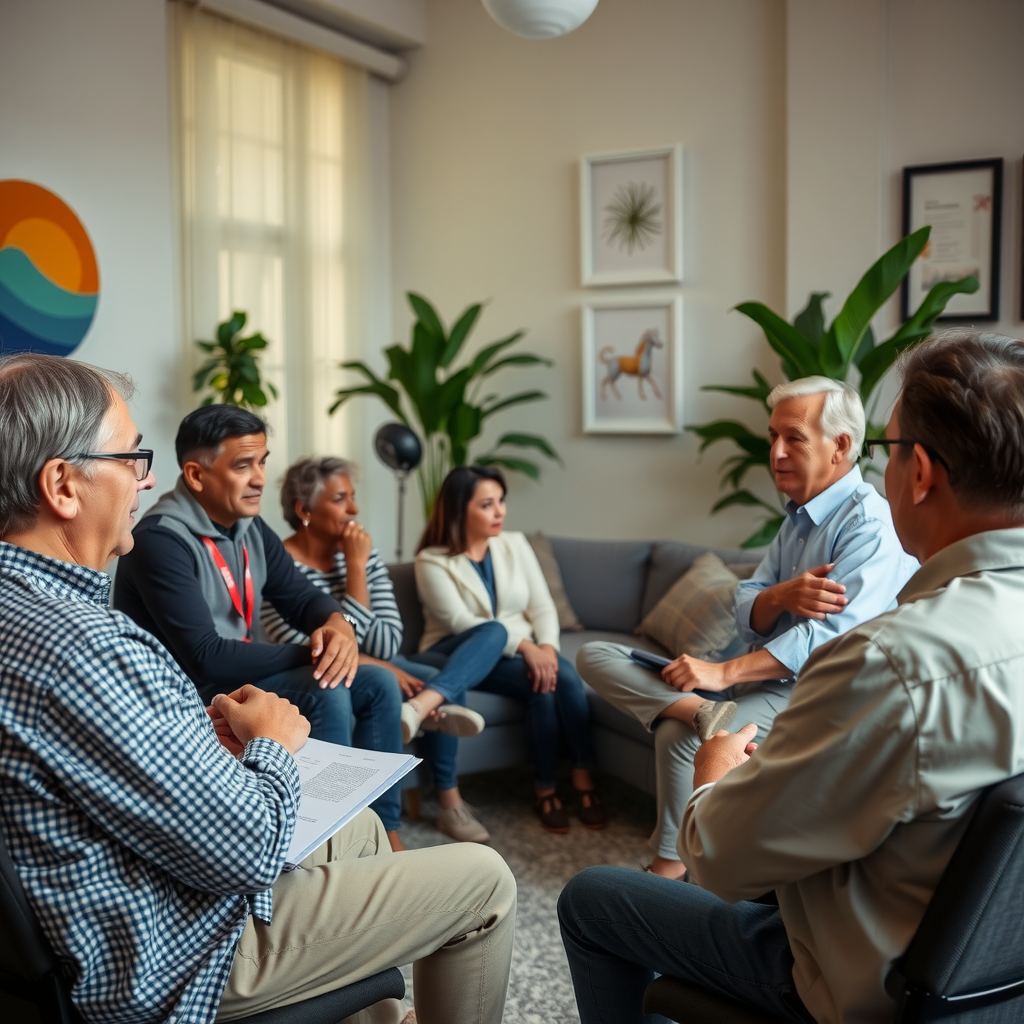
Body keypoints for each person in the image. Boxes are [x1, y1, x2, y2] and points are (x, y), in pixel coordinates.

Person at [0, 353, 516, 1024]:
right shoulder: (90, 643)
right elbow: (246, 849)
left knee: (358, 829)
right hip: (164, 951)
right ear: (63, 485)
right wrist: (274, 741)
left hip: (123, 897)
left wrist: (327, 628)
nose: (144, 479)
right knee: (485, 880)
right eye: (132, 460)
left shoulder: (29, 609)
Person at [558, 330, 1024, 1024]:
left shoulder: (888, 662)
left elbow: (720, 859)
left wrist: (717, 775)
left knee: (593, 898)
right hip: (987, 984)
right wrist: (773, 602)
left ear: (919, 472)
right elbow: (746, 604)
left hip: (860, 987)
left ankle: (704, 726)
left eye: (885, 453)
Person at [577, 376, 916, 877]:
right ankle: (697, 718)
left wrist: (723, 674)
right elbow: (748, 607)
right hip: (774, 678)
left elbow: (829, 638)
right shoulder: (796, 520)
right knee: (594, 656)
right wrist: (781, 594)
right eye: (772, 437)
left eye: (794, 438)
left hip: (822, 691)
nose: (776, 452)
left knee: (680, 736)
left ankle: (669, 867)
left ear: (841, 446)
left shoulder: (869, 525)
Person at [113, 405, 422, 850]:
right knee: (327, 682)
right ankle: (319, 838)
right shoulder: (160, 540)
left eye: (262, 461)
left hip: (239, 674)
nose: (260, 478)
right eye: (243, 465)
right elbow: (206, 655)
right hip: (195, 691)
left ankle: (384, 831)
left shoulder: (249, 527)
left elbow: (301, 597)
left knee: (376, 682)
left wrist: (337, 623)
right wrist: (319, 651)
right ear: (197, 476)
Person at [261, 455, 506, 843]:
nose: (355, 509)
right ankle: (391, 825)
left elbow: (388, 640)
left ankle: (446, 795)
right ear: (304, 510)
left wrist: (358, 565)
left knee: (452, 668)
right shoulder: (279, 567)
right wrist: (355, 574)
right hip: (335, 676)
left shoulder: (363, 553)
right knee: (428, 682)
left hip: (387, 661)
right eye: (341, 499)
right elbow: (313, 652)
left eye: (353, 497)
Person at [416, 465, 606, 832]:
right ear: (459, 509)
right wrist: (524, 646)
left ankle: (572, 779)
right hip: (457, 651)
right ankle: (552, 788)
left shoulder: (515, 544)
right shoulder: (431, 560)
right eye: (487, 504)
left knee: (555, 677)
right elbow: (459, 621)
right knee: (546, 671)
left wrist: (547, 647)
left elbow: (542, 606)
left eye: (501, 501)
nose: (500, 511)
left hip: (514, 653)